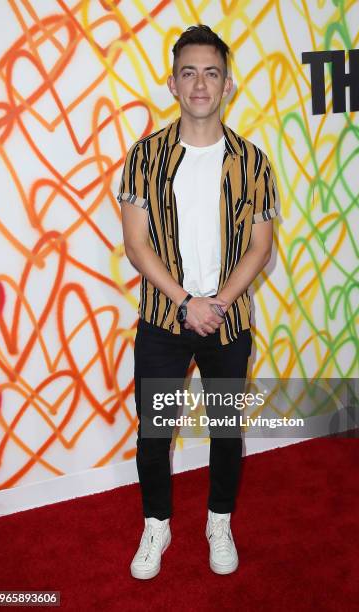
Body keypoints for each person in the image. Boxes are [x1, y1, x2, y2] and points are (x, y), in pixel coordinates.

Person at [117, 24, 279, 579]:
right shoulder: (144, 157)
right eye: (189, 73)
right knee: (153, 434)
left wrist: (219, 303)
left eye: (211, 72)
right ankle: (156, 525)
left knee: (226, 430)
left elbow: (261, 246)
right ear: (172, 83)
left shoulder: (253, 162)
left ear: (227, 83)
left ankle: (219, 521)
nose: (200, 84)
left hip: (229, 324)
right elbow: (136, 244)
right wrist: (186, 301)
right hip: (165, 321)